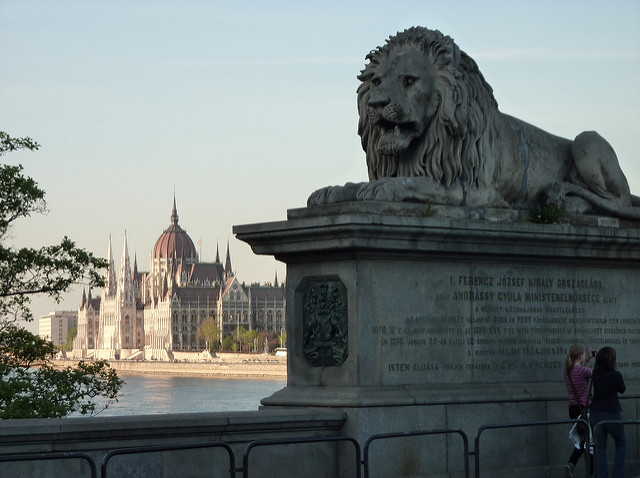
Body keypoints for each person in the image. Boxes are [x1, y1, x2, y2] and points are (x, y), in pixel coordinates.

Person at [590, 346, 626, 478]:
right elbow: (622, 389)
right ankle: (618, 475)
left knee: (600, 448)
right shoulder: (616, 375)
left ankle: (601, 475)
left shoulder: (595, 373)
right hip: (612, 413)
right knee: (621, 443)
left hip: (595, 413)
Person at [564, 344, 593, 477]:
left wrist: (587, 361)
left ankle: (573, 464)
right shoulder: (583, 371)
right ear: (580, 356)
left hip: (573, 408)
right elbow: (594, 375)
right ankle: (577, 465)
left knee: (582, 438)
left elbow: (581, 374)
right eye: (583, 355)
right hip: (584, 408)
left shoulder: (567, 371)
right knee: (589, 440)